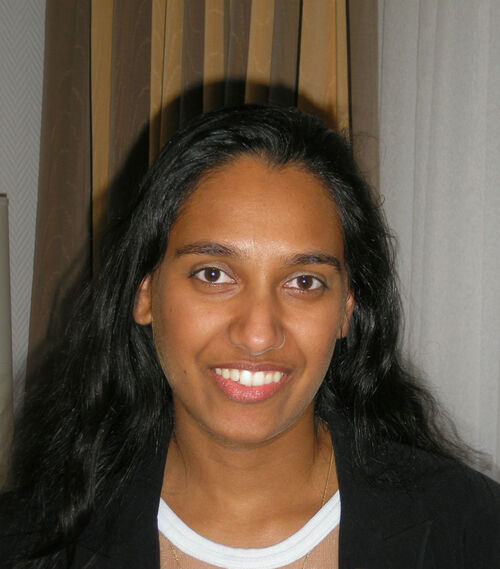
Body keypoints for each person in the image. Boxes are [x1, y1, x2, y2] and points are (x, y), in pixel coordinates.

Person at [1, 105, 499, 569]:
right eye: (213, 274)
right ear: (145, 293)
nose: (258, 334)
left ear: (346, 311)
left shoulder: (471, 531)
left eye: (304, 282)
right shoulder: (26, 541)